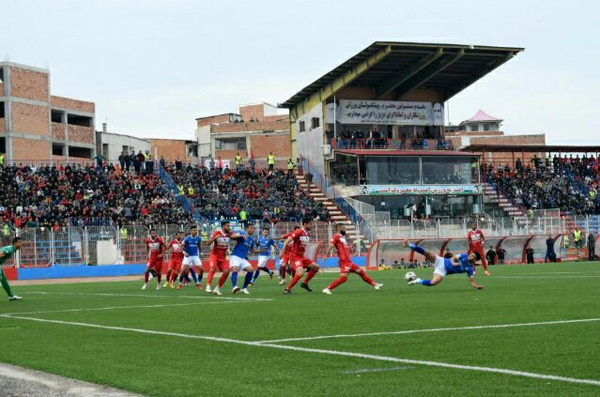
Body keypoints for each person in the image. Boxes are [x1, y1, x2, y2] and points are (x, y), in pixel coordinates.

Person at [322, 225, 382, 295]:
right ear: (339, 228)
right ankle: (327, 289)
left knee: (361, 272)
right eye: (344, 228)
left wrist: (350, 247)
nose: (345, 229)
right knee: (343, 278)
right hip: (344, 262)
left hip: (349, 262)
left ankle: (375, 284)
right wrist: (326, 255)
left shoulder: (342, 238)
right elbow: (331, 245)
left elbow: (343, 249)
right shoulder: (336, 236)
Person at [404, 240, 483, 290]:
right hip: (441, 261)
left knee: (433, 282)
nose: (470, 255)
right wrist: (453, 263)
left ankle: (418, 280)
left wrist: (477, 286)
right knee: (428, 254)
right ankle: (410, 245)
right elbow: (453, 258)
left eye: (473, 256)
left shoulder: (470, 268)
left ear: (475, 260)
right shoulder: (464, 255)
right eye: (471, 254)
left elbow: (471, 281)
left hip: (443, 270)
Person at [282, 217, 320, 294]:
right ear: (305, 223)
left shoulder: (307, 233)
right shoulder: (299, 232)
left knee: (316, 267)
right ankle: (287, 289)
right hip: (295, 257)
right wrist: (282, 253)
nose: (311, 225)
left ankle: (304, 283)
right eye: (310, 224)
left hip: (302, 257)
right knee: (300, 273)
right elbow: (286, 241)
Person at [229, 222, 260, 294]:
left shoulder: (251, 239)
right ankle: (234, 287)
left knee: (251, 270)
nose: (253, 230)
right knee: (235, 269)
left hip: (242, 258)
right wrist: (241, 236)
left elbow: (253, 250)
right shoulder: (241, 232)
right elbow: (232, 236)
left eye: (253, 228)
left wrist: (261, 250)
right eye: (251, 228)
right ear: (246, 228)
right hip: (236, 256)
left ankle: (244, 288)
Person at [205, 221, 233, 295]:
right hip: (214, 255)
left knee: (226, 272)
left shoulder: (230, 234)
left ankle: (217, 288)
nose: (229, 227)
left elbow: (235, 236)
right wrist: (214, 238)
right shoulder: (217, 232)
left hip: (223, 257)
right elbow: (208, 243)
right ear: (223, 226)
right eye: (227, 225)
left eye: (229, 225)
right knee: (213, 268)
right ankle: (208, 286)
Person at [177, 225, 204, 290]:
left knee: (201, 270)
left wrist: (201, 253)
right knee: (183, 270)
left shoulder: (199, 238)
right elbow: (180, 246)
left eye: (196, 230)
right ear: (191, 231)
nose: (195, 231)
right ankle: (180, 284)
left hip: (195, 256)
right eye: (194, 230)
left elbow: (199, 246)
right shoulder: (186, 239)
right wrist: (184, 253)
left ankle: (198, 282)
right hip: (188, 256)